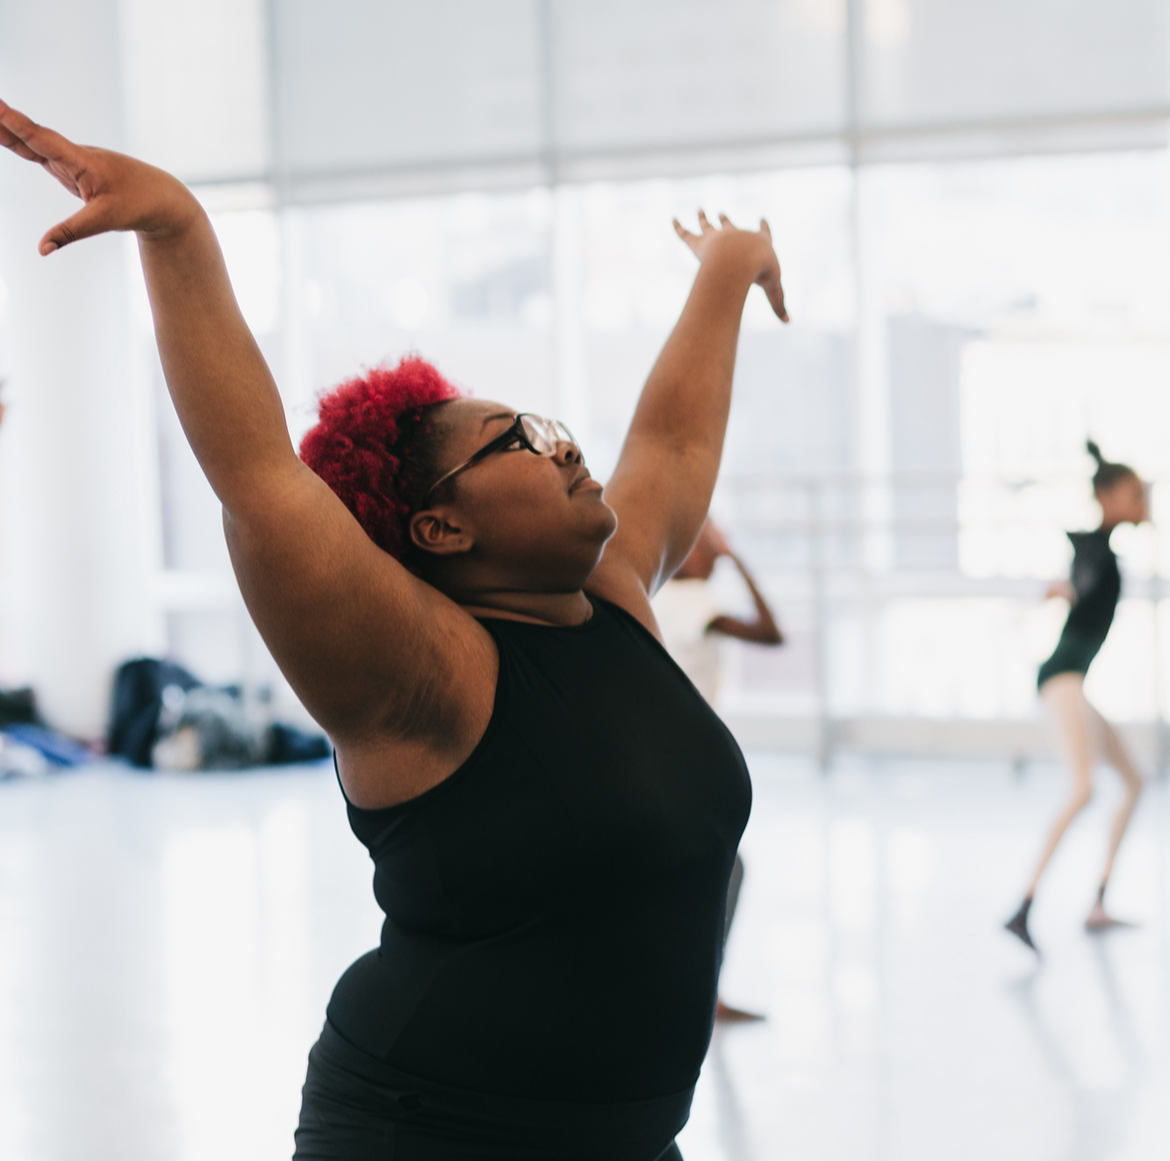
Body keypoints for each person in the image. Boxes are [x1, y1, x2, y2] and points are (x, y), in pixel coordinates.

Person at [0, 99, 788, 1160]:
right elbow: (261, 482)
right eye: (518, 439)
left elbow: (675, 439)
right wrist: (176, 230)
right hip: (431, 1132)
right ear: (440, 525)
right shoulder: (418, 675)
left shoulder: (615, 600)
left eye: (550, 425)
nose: (561, 446)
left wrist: (728, 265)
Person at [1005, 441, 1147, 954]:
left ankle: (1099, 901)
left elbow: (1082, 576)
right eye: (1134, 493)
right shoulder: (1096, 549)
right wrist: (1070, 588)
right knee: (1084, 788)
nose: (1144, 500)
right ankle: (1023, 906)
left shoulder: (1098, 549)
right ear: (1108, 497)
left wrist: (1066, 587)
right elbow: (1086, 576)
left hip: (1073, 682)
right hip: (1060, 678)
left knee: (1133, 781)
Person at [653, 518, 782, 1021]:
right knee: (723, 870)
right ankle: (704, 995)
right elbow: (770, 633)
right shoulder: (693, 603)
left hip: (677, 759)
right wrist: (739, 560)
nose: (715, 549)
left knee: (714, 871)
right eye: (707, 541)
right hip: (678, 762)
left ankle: (701, 992)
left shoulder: (666, 597)